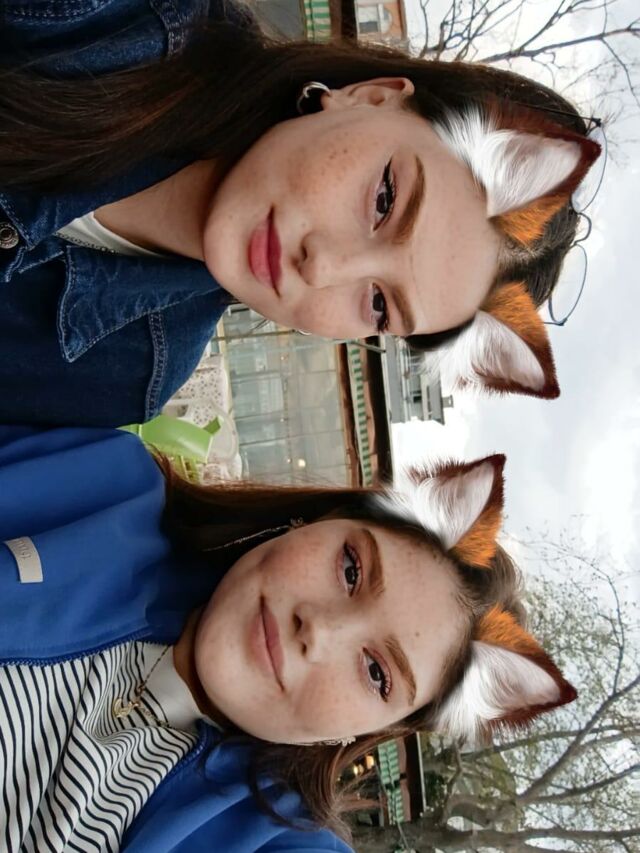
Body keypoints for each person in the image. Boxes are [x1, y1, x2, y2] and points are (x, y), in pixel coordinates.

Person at [0, 0, 602, 426]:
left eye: (379, 304)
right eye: (385, 200)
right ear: (371, 97)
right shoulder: (112, 18)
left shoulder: (128, 371)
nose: (323, 267)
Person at [0, 425, 575, 851]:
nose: (319, 631)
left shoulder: (275, 840)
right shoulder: (104, 487)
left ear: (368, 731)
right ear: (315, 523)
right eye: (350, 569)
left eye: (377, 672)